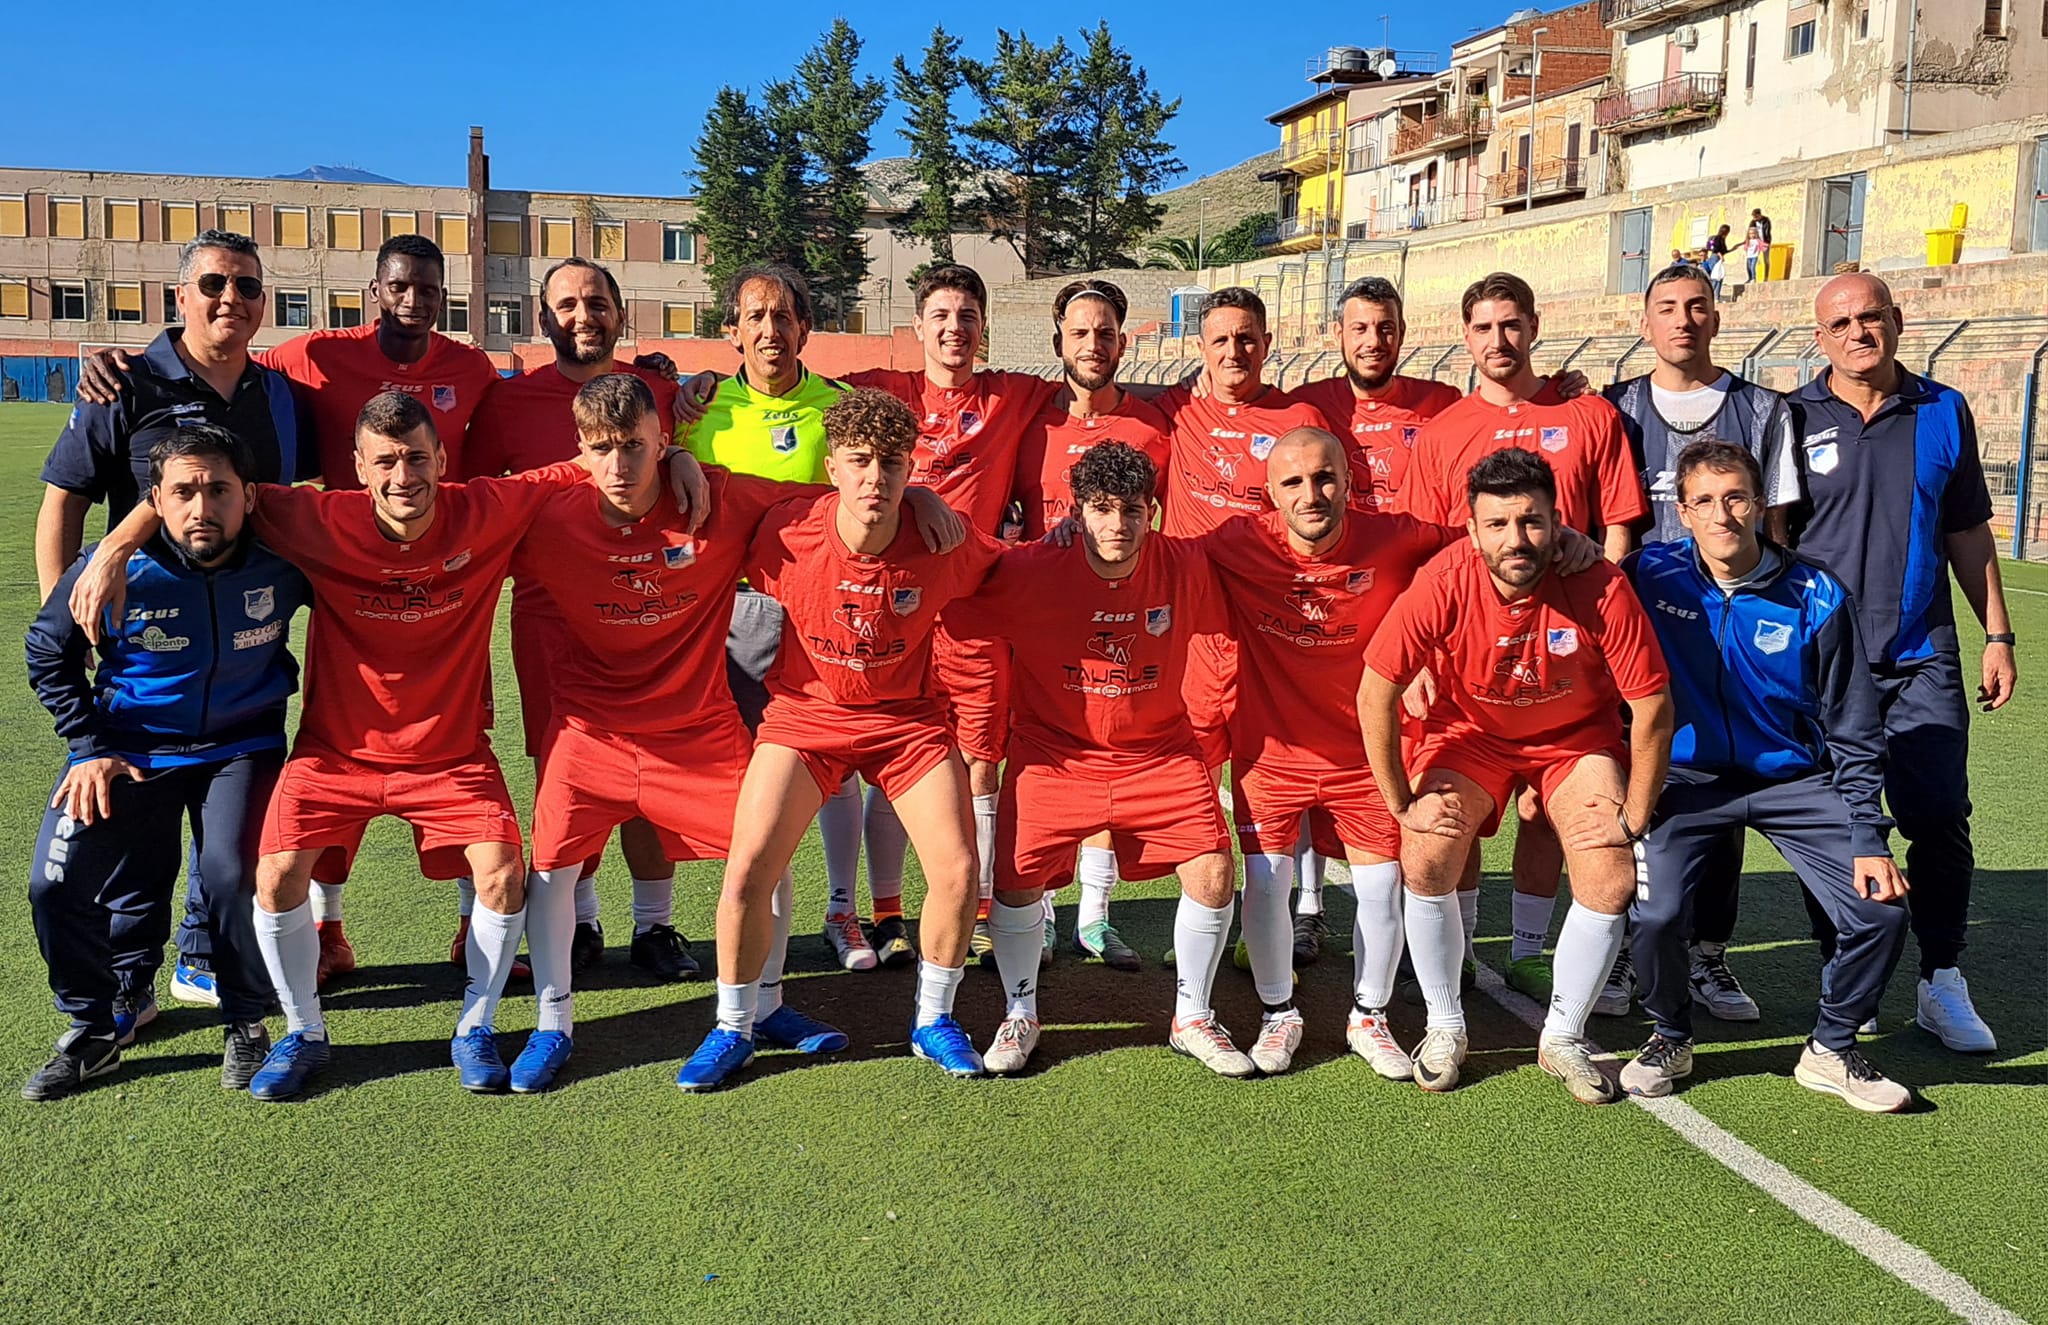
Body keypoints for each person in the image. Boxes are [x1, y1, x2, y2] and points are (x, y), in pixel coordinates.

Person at [192, 391, 703, 1100]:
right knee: (276, 875)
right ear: (358, 469)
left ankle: (475, 1025)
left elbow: (590, 464)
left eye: (416, 458)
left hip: (450, 754)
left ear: (441, 458)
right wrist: (116, 548)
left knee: (501, 873)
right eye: (386, 462)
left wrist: (676, 455)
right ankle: (303, 1031)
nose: (404, 476)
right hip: (337, 752)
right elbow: (198, 491)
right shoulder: (315, 516)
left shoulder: (487, 507)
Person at [76, 233, 500, 985]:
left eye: (429, 290)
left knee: (459, 738)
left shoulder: (470, 367)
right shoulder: (317, 354)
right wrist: (125, 362)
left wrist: (660, 377)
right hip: (335, 561)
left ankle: (475, 921)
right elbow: (215, 361)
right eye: (399, 286)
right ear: (375, 291)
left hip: (447, 573)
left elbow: (520, 432)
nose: (414, 301)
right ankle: (326, 929)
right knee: (342, 735)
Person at [675, 389, 1003, 1089]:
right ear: (832, 467)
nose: (875, 479)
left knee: (956, 869)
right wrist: (675, 450)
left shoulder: (943, 538)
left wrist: (1070, 543)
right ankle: (733, 1025)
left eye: (891, 463)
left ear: (911, 466)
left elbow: (1017, 570)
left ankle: (933, 1020)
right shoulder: (783, 525)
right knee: (747, 868)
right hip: (805, 720)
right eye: (859, 461)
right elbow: (695, 490)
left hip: (905, 725)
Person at [37, 228, 308, 1018]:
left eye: (250, 287)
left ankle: (201, 957)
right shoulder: (125, 382)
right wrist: (76, 615)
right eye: (216, 283)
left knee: (226, 837)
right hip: (143, 645)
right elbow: (66, 502)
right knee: (136, 832)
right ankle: (128, 981)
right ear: (180, 296)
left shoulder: (278, 394)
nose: (233, 299)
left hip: (241, 638)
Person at [1361, 448, 1674, 1103]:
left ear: (1558, 520)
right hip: (1471, 737)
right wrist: (1401, 802)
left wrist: (1637, 811)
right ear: (1471, 531)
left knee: (1611, 867)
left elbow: (1651, 704)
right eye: (1498, 524)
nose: (1516, 539)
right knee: (1425, 853)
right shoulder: (1445, 578)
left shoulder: (1598, 582)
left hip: (1573, 741)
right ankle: (1445, 1024)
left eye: (1531, 521)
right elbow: (1376, 689)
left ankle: (1562, 1035)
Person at [1620, 440, 1912, 1111]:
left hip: (1794, 781)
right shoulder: (1650, 572)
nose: (1721, 514)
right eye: (1704, 501)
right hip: (1688, 780)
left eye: (1735, 498)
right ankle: (1670, 1033)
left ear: (1758, 504)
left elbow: (1855, 725)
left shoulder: (1815, 593)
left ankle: (1831, 1047)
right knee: (1657, 913)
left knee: (1880, 907)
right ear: (1682, 511)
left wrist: (1870, 833)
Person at [23, 426, 310, 1100]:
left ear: (250, 496)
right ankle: (95, 1028)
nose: (200, 507)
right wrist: (89, 746)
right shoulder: (114, 566)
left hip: (240, 746)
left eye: (218, 490)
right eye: (182, 491)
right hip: (127, 750)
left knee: (234, 870)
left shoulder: (284, 561)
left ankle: (245, 1019)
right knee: (53, 883)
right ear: (156, 497)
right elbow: (46, 651)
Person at [944, 443, 1241, 1074]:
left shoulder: (1185, 563)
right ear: (1077, 511)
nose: (1117, 525)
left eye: (1132, 510)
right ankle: (1020, 1012)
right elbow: (955, 606)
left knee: (1214, 872)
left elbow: (1253, 577)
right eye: (1102, 509)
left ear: (1153, 512)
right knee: (1016, 882)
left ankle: (1192, 1016)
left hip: (1159, 752)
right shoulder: (1029, 569)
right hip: (1054, 754)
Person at [1395, 272, 1648, 1005]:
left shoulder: (1587, 414)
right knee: (1459, 806)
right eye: (1482, 327)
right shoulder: (1443, 431)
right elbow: (1422, 548)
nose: (1498, 341)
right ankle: (1464, 951)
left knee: (1549, 807)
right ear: (1464, 336)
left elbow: (1619, 523)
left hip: (1570, 654)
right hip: (1470, 659)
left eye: (1511, 324)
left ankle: (1533, 950)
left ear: (1535, 326)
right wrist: (1419, 658)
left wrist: (1606, 608)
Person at [1782, 273, 2015, 1053]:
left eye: (1870, 316)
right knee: (1841, 823)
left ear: (1897, 320)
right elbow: (1774, 545)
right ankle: (1848, 972)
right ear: (1820, 339)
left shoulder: (1943, 408)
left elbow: (1969, 531)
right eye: (1840, 322)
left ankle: (1942, 977)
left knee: (1939, 817)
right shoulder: (1791, 416)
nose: (1858, 332)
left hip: (1923, 657)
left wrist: (1999, 634)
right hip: (1825, 665)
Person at [463, 257, 691, 982]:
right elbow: (473, 500)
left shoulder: (659, 390)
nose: (582, 315)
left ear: (621, 314)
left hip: (646, 604)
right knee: (566, 771)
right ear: (543, 319)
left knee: (655, 771)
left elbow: (687, 463)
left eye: (597, 302)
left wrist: (682, 456)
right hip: (548, 615)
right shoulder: (509, 402)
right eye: (566, 304)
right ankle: (583, 919)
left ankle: (654, 924)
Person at [842, 266, 1063, 970]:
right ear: (918, 325)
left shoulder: (1013, 394)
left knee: (979, 761)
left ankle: (982, 905)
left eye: (967, 314)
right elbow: (793, 393)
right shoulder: (883, 389)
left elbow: (1102, 392)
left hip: (975, 610)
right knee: (890, 759)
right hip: (892, 610)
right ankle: (885, 912)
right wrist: (679, 383)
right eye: (941, 314)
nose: (954, 328)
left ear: (984, 325)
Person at [1596, 261, 1799, 1021]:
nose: (1683, 319)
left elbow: (1778, 532)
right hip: (1635, 636)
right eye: (1667, 308)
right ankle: (1624, 943)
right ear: (1644, 322)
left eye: (1697, 306)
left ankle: (1708, 953)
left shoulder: (1763, 410)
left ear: (1717, 317)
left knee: (1725, 784)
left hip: (1735, 636)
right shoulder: (1613, 409)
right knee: (1633, 789)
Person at [1008, 279, 1172, 971]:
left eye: (1105, 332)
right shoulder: (1029, 424)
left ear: (1122, 341)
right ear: (1059, 343)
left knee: (1110, 750)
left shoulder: (1156, 426)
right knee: (1045, 764)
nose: (1093, 345)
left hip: (1125, 617)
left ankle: (1096, 918)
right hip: (1044, 621)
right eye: (1081, 333)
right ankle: (1042, 913)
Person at [1703, 225, 1732, 298]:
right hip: (1715, 258)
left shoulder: (1721, 239)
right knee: (1717, 277)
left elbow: (1723, 251)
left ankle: (1716, 296)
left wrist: (1733, 248)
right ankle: (1713, 295)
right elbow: (1716, 249)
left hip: (1716, 258)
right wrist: (1721, 256)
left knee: (1718, 277)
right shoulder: (1718, 238)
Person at [1746, 209, 1773, 284]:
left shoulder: (1766, 220)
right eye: (1753, 217)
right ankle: (1751, 277)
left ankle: (1766, 277)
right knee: (1750, 260)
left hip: (1764, 242)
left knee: (1766, 260)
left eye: (1756, 217)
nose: (1754, 218)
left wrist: (1767, 243)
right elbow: (1749, 232)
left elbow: (1767, 231)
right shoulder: (1752, 222)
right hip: (1754, 242)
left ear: (1759, 215)